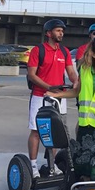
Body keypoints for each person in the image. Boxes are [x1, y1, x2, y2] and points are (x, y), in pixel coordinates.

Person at [47, 36, 95, 182]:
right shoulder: (84, 70)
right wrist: (57, 95)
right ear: (94, 54)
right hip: (86, 126)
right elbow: (77, 92)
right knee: (83, 165)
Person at [27, 19, 78, 179]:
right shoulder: (38, 50)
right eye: (57, 30)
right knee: (36, 132)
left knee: (55, 132)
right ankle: (33, 165)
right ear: (49, 33)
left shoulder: (64, 52)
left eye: (62, 31)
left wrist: (76, 81)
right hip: (40, 96)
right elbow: (31, 74)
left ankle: (52, 163)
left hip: (59, 97)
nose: (61, 33)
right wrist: (48, 87)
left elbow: (70, 72)